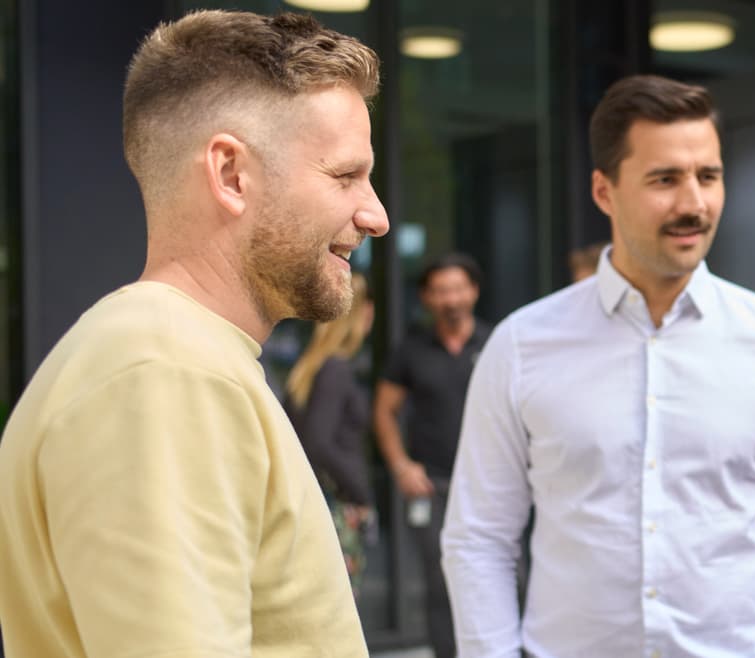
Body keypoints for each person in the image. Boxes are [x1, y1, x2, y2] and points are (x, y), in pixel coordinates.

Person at [0, 10, 386, 656]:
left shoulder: (170, 358)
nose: (375, 214)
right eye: (345, 175)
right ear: (232, 174)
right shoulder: (164, 373)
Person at [442, 74, 755, 657]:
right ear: (603, 191)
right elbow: (479, 538)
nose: (693, 204)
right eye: (665, 179)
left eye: (708, 176)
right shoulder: (520, 346)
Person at [374, 252, 488, 658]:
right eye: (440, 291)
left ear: (473, 291)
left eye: (457, 289)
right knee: (440, 583)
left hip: (489, 487)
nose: (451, 299)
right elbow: (384, 411)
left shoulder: (494, 344)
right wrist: (401, 466)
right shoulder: (411, 349)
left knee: (507, 576)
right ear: (426, 297)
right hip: (432, 487)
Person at [286, 272, 377, 595]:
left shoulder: (312, 368)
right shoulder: (335, 369)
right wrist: (360, 494)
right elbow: (318, 442)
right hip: (336, 506)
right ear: (362, 312)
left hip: (318, 503)